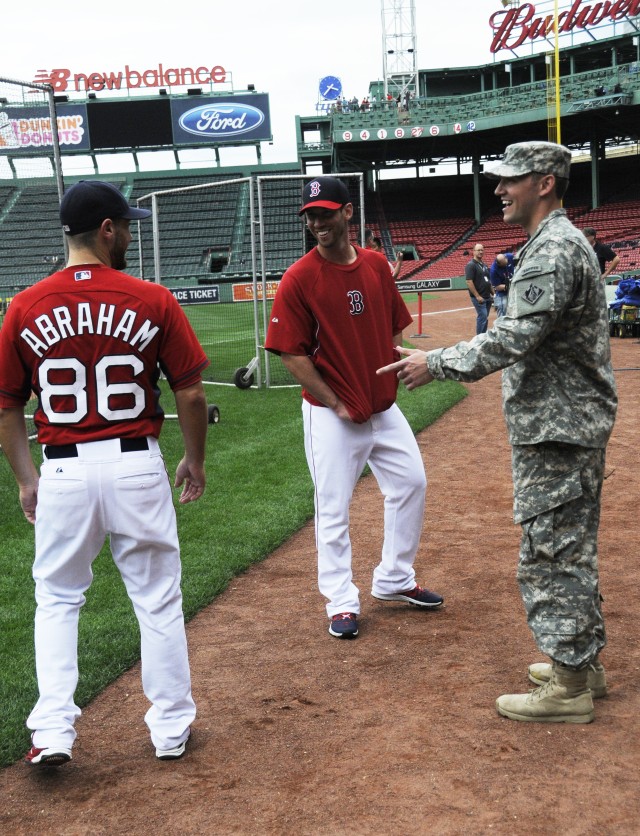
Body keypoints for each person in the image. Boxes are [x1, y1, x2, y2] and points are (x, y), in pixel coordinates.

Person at [378, 142, 617, 723]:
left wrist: (433, 363)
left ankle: (568, 687)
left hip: (558, 428)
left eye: (511, 180)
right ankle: (581, 664)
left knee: (551, 553)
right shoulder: (555, 243)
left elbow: (512, 339)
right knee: (569, 545)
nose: (500, 190)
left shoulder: (552, 251)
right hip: (565, 423)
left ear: (545, 184)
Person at [0, 180, 209, 766]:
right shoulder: (152, 298)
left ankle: (52, 732)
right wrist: (194, 459)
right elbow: (190, 394)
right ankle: (170, 729)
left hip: (62, 469)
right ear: (108, 230)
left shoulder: (25, 305)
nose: (131, 235)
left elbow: (7, 403)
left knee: (58, 600)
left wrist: (24, 478)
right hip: (136, 464)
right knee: (158, 600)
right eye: (128, 226)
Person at [264, 176, 443, 639]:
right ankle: (341, 601)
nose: (317, 222)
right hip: (332, 416)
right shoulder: (300, 277)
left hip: (382, 408)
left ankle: (394, 579)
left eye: (325, 212)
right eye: (311, 216)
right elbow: (291, 354)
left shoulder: (377, 265)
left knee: (412, 484)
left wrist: (392, 367)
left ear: (347, 213)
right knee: (333, 507)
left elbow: (394, 326)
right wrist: (335, 402)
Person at [465, 243, 494, 334]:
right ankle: (479, 339)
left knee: (484, 317)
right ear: (473, 252)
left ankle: (483, 336)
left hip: (487, 296)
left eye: (482, 250)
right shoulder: (471, 265)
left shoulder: (484, 265)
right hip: (479, 297)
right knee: (483, 316)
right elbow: (469, 281)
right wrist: (477, 296)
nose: (481, 252)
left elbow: (488, 282)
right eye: (478, 250)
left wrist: (494, 294)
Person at [489, 252, 514, 317]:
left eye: (507, 262)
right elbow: (497, 287)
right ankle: (501, 324)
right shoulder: (493, 270)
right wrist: (509, 285)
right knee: (502, 308)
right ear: (499, 264)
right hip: (502, 293)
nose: (506, 265)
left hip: (512, 288)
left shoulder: (510, 256)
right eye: (504, 265)